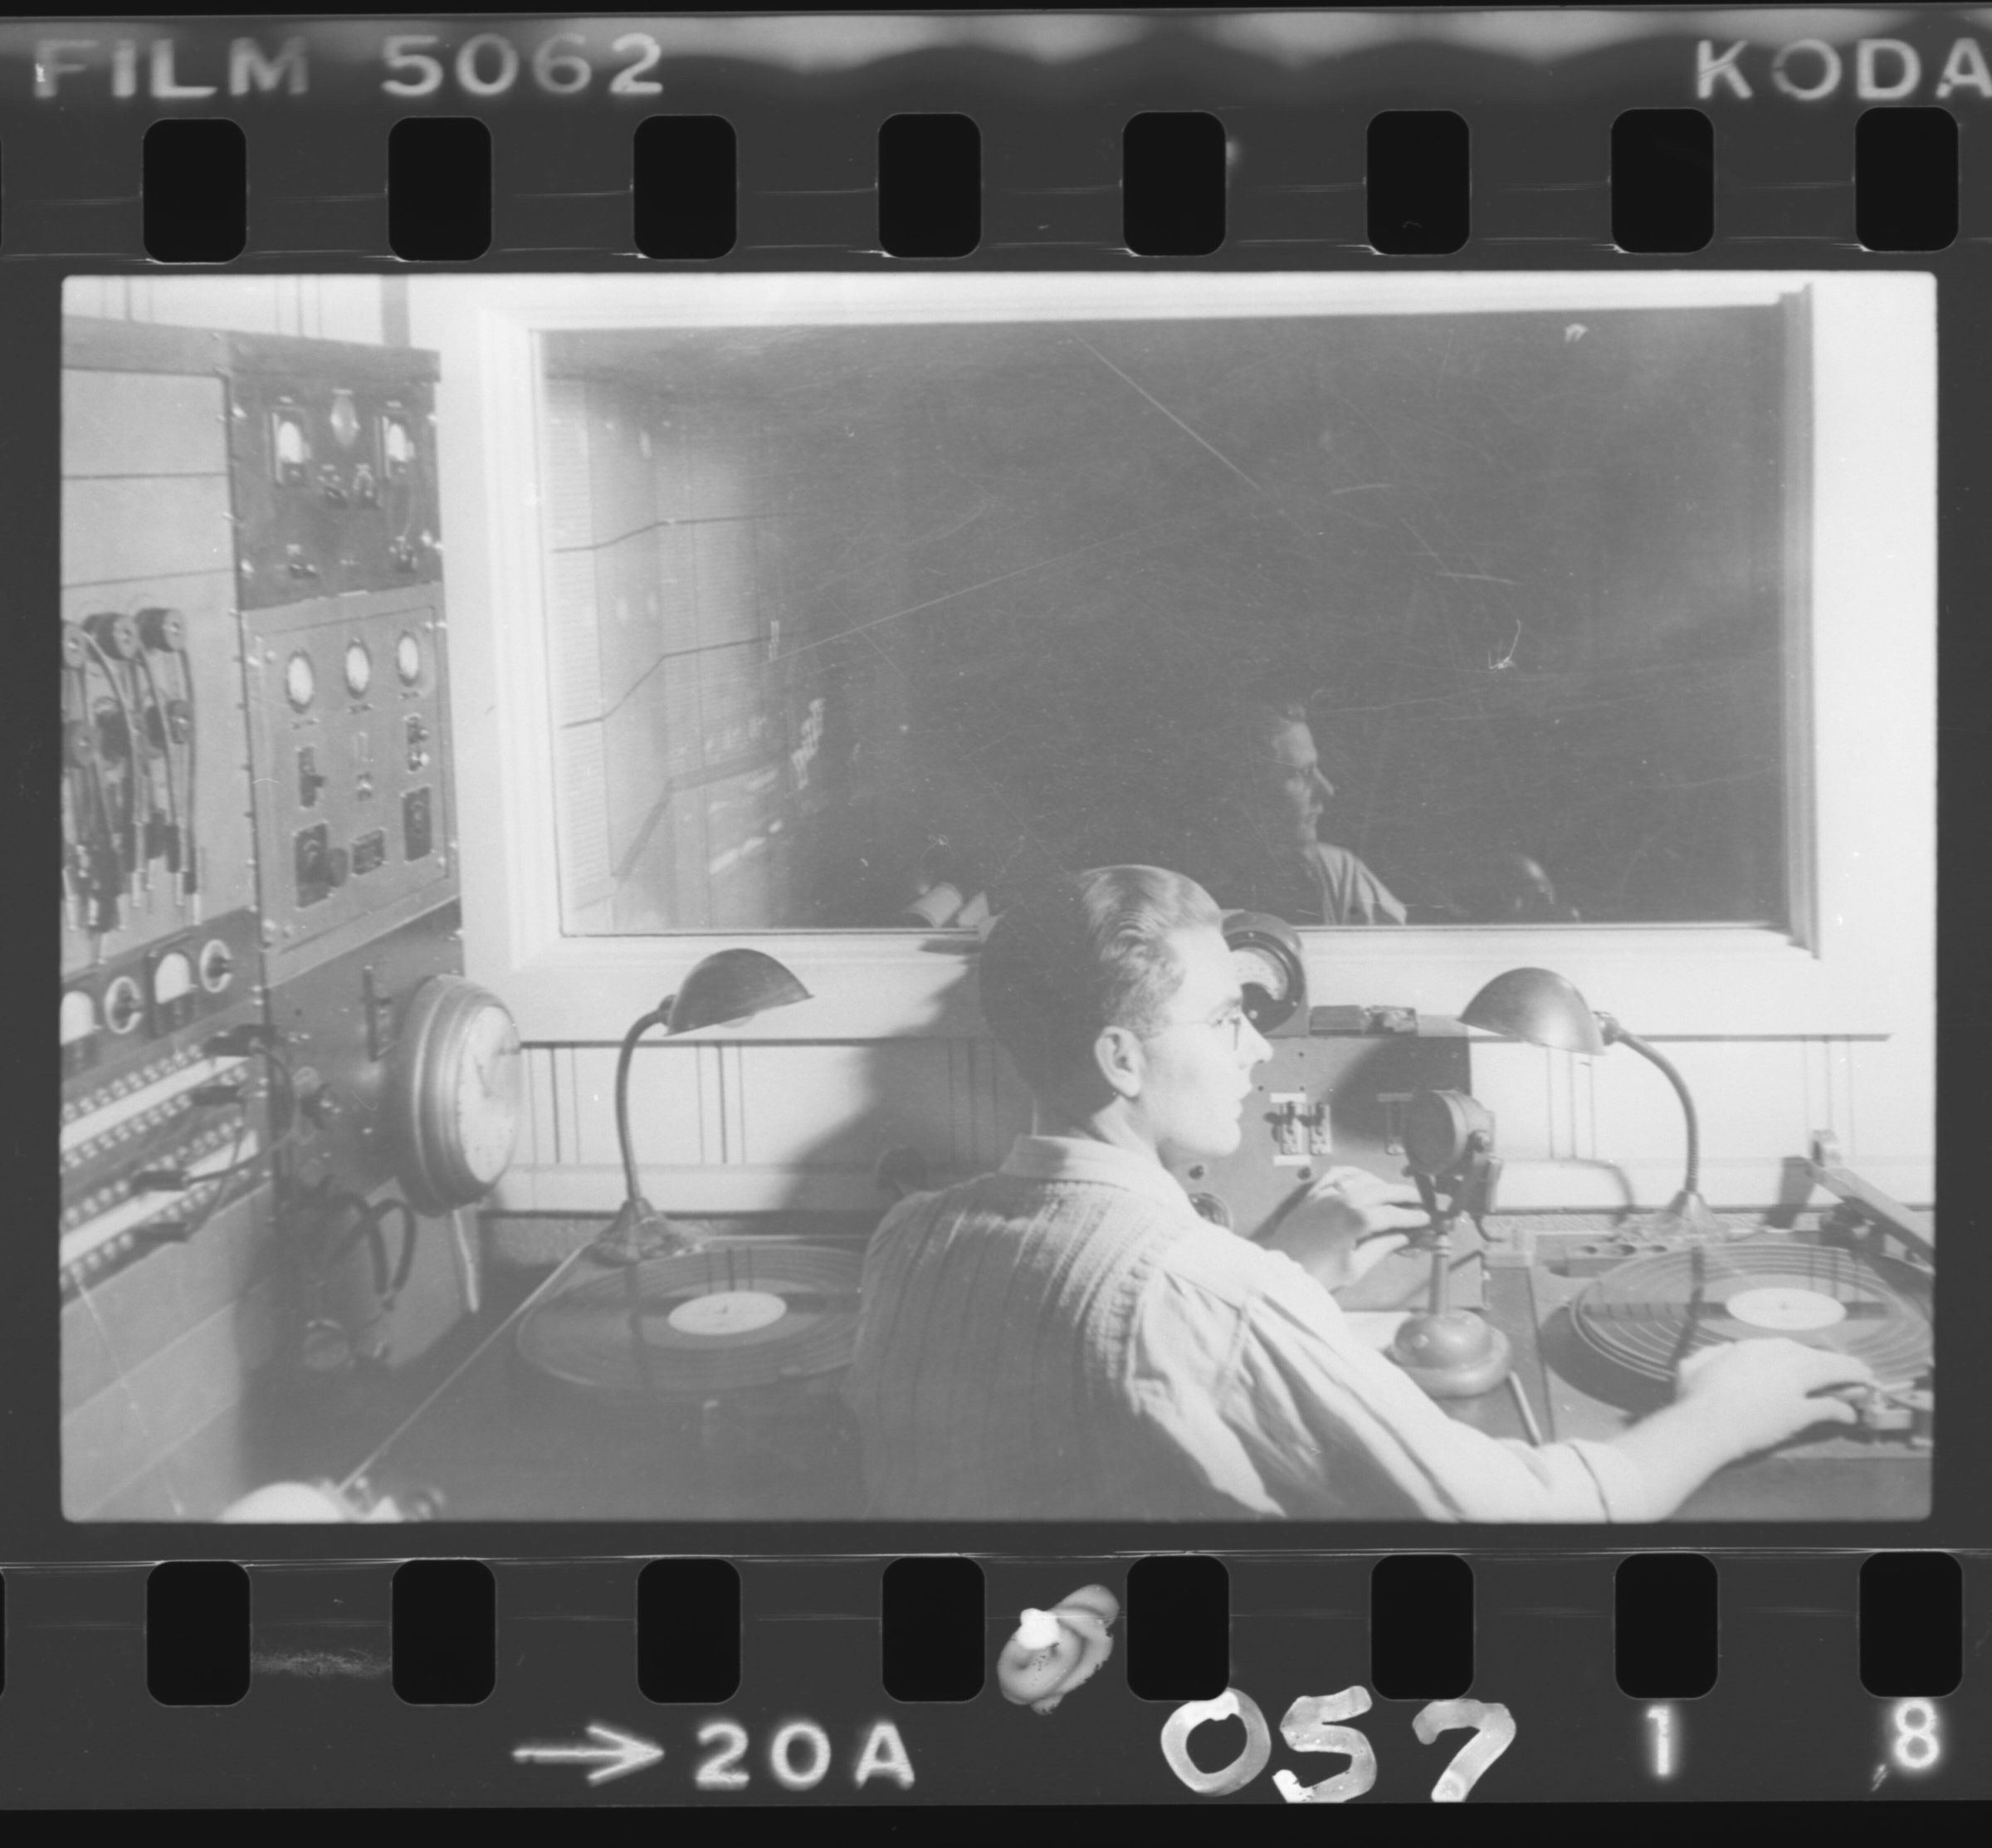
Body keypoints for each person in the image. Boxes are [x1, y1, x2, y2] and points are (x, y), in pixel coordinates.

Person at [842, 864, 1874, 1520]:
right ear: (1120, 1057)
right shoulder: (1216, 1297)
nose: (1257, 1051)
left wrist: (1283, 1273)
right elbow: (1515, 1519)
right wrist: (1724, 1414)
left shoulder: (910, 1239)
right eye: (1226, 1020)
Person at [1184, 700, 1408, 926]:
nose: (1327, 789)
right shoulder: (1182, 895)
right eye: (1302, 773)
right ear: (1244, 790)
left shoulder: (1340, 874)